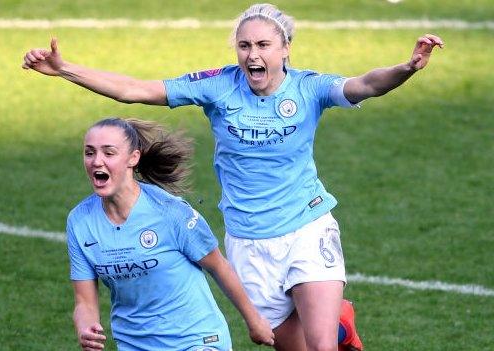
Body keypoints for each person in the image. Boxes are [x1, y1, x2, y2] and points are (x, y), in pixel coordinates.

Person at [23, 4, 444, 350]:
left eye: (263, 45)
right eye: (244, 45)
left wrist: (408, 67)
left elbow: (366, 84)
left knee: (320, 349)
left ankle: (331, 334)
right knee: (285, 344)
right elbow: (135, 89)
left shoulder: (309, 88)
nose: (252, 55)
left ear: (285, 50)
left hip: (306, 225)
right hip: (248, 240)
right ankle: (341, 326)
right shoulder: (217, 86)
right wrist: (65, 70)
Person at [66, 117, 274, 350]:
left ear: (133, 158)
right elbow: (84, 302)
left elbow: (218, 266)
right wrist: (86, 327)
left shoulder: (170, 212)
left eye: (109, 153)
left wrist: (254, 321)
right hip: (134, 343)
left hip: (197, 339)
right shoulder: (80, 222)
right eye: (89, 153)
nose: (97, 161)